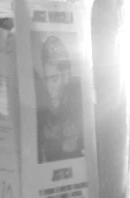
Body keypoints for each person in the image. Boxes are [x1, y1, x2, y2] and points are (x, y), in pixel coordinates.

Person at [36, 35, 84, 164]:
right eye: (45, 80)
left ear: (66, 77)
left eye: (54, 79)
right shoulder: (39, 109)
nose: (48, 87)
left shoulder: (78, 107)